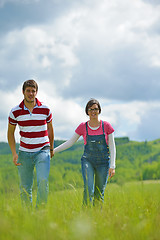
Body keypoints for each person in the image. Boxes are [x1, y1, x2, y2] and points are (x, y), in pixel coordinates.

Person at [54, 98, 116, 206]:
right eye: (91, 109)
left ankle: (97, 218)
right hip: (88, 161)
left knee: (99, 192)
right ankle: (86, 216)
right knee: (88, 189)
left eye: (95, 109)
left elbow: (112, 146)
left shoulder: (106, 126)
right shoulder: (83, 126)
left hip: (104, 163)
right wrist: (54, 151)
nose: (93, 112)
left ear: (99, 110)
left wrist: (113, 166)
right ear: (87, 111)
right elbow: (70, 142)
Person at [7, 79, 54, 208]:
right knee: (25, 187)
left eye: (33, 91)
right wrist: (14, 153)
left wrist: (51, 149)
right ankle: (28, 216)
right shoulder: (15, 111)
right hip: (24, 152)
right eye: (28, 91)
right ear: (23, 92)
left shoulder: (45, 109)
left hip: (42, 150)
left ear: (36, 92)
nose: (31, 93)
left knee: (43, 181)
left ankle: (40, 213)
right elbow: (10, 133)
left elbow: (50, 128)